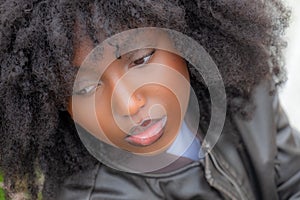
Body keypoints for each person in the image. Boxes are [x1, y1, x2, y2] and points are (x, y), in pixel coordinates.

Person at [1, 0, 300, 199]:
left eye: (141, 59)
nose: (129, 105)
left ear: (185, 35)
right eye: (84, 88)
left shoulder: (243, 88)